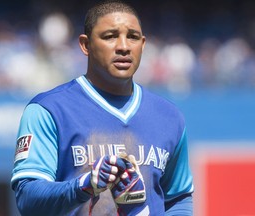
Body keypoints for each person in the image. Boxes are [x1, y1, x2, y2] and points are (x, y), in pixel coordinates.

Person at [11, 0, 194, 215]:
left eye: (133, 37)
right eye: (110, 36)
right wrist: (84, 185)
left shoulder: (169, 117)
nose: (124, 46)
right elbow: (28, 198)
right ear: (85, 45)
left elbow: (178, 198)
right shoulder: (49, 110)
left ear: (143, 45)